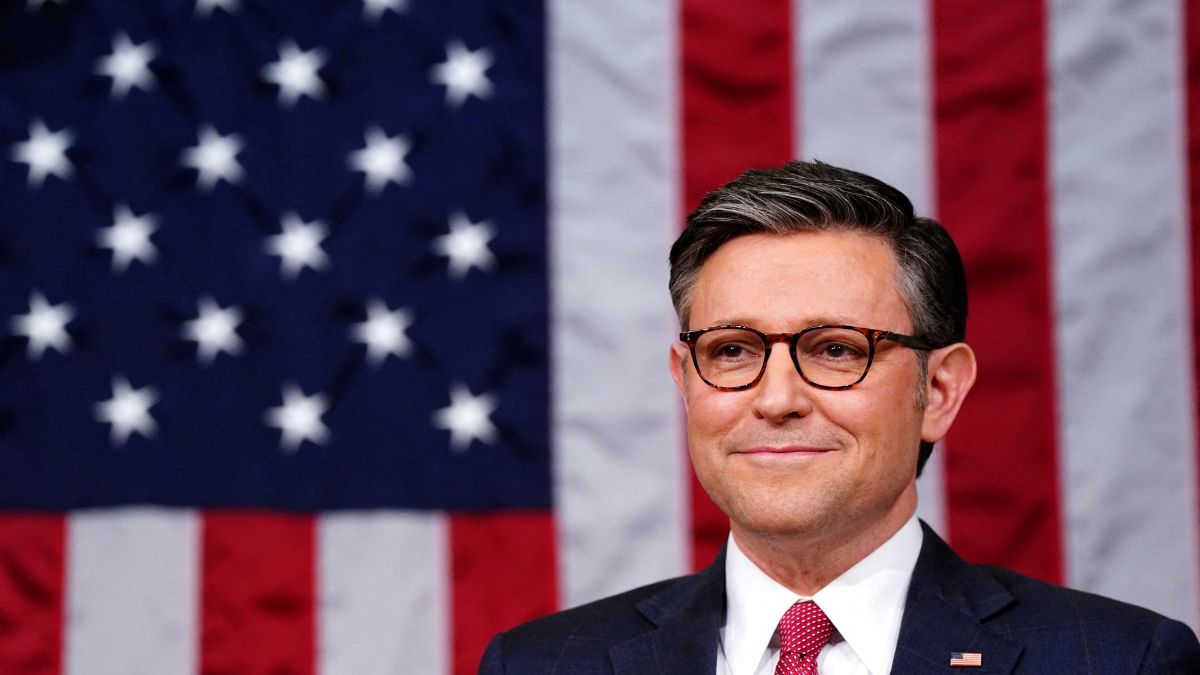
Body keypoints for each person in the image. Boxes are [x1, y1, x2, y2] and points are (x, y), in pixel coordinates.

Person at [478, 161, 1200, 674]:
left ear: (940, 389)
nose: (778, 397)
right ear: (685, 379)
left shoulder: (1115, 659)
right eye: (733, 349)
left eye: (834, 349)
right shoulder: (542, 662)